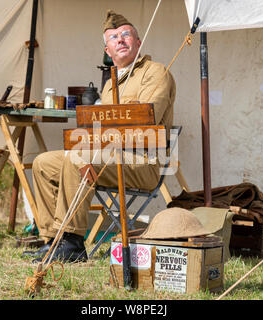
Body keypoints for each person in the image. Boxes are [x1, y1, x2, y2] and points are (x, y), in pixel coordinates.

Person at [23, 10, 176, 263]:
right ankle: (54, 240)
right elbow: (103, 130)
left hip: (142, 163)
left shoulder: (155, 72)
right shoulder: (109, 84)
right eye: (114, 38)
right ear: (108, 50)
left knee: (78, 157)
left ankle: (72, 243)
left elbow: (146, 120)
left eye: (126, 34)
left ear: (138, 42)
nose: (121, 40)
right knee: (43, 163)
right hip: (109, 158)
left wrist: (104, 133)